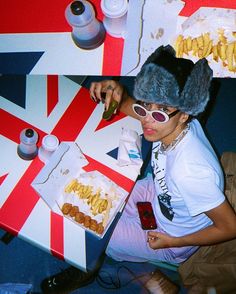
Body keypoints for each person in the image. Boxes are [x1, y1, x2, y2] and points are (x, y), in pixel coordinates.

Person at [41, 45, 236, 293]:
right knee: (98, 192)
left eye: (162, 112)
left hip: (171, 235)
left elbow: (230, 227)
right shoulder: (178, 122)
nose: (147, 120)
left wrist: (175, 241)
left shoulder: (191, 173)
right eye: (146, 106)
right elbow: (143, 111)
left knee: (99, 233)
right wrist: (120, 94)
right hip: (158, 194)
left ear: (184, 115)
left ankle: (112, 271)